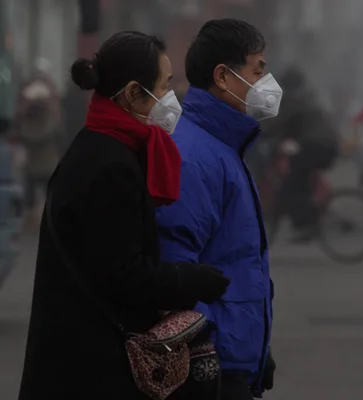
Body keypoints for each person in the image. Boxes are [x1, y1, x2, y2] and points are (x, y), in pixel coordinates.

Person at [18, 31, 231, 400]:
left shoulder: (101, 146)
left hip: (79, 354)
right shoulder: (109, 166)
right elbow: (123, 274)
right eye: (164, 86)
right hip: (92, 366)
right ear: (134, 93)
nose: (172, 97)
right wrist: (190, 280)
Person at [154, 19, 278, 400]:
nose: (267, 83)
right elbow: (176, 266)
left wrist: (257, 348)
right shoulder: (194, 155)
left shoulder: (224, 147)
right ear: (223, 77)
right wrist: (202, 349)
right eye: (258, 69)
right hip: (210, 365)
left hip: (234, 354)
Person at [260, 67, 338, 242]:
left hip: (315, 146)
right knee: (297, 184)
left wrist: (258, 132)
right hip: (324, 146)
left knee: (288, 189)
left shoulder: (292, 100)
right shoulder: (306, 97)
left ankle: (309, 222)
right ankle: (305, 223)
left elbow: (277, 124)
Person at [12, 59, 63, 229]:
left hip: (38, 155)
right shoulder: (47, 96)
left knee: (36, 188)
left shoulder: (36, 95)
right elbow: (56, 126)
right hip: (40, 155)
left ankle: (36, 217)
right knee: (38, 188)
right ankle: (39, 218)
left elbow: (20, 121)